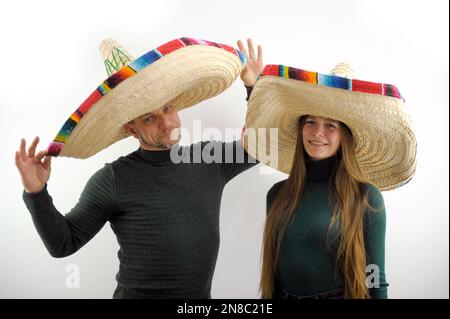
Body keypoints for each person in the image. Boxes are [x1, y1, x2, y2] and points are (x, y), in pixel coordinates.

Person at [15, 37, 264, 298]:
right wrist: (36, 193)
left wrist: (253, 86)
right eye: (150, 118)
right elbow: (63, 243)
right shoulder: (112, 180)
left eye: (168, 108)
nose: (167, 123)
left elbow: (262, 148)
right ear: (132, 129)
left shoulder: (207, 158)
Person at [242, 63, 417, 299]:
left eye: (330, 125)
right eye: (310, 122)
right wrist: (252, 89)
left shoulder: (366, 198)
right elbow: (272, 278)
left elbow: (374, 280)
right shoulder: (277, 194)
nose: (318, 133)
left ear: (344, 135)